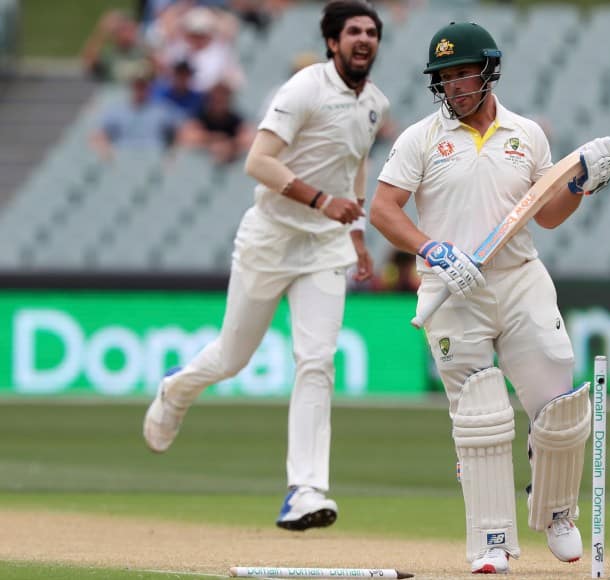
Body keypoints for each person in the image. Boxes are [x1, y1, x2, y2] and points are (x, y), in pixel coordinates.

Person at [369, 21, 610, 575]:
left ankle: (556, 511)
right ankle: (492, 542)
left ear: (489, 71)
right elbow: (383, 210)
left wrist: (577, 187)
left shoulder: (526, 134)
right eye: (446, 77)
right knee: (480, 415)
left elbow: (546, 215)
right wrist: (432, 250)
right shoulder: (420, 139)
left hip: (519, 275)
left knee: (560, 399)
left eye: (464, 73)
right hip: (452, 286)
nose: (455, 86)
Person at [143, 0, 387, 533]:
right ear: (332, 42)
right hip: (271, 238)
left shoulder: (374, 104)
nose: (364, 39)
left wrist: (356, 233)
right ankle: (176, 390)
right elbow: (257, 160)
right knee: (233, 357)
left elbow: (357, 166)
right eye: (353, 32)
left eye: (371, 32)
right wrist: (323, 201)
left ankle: (305, 489)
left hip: (326, 247)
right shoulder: (303, 88)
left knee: (317, 361)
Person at [89, 65, 182, 161]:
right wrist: (106, 152)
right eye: (137, 85)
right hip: (123, 159)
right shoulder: (115, 110)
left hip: (154, 159)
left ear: (150, 87)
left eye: (143, 86)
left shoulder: (163, 109)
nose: (140, 89)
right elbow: (98, 135)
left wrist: (173, 154)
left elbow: (184, 132)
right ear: (131, 86)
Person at [176, 80, 254, 164]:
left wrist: (229, 144)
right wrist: (213, 139)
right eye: (215, 98)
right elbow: (185, 136)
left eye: (222, 97)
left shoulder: (235, 119)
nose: (218, 101)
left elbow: (248, 139)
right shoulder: (200, 116)